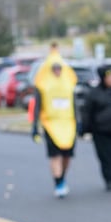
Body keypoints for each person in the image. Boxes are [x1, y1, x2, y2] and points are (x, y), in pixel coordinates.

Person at [30, 48, 78, 199]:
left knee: (66, 157)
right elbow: (37, 106)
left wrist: (79, 122)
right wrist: (35, 126)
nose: (57, 71)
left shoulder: (68, 84)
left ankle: (62, 176)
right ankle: (58, 182)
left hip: (68, 125)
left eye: (59, 68)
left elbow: (74, 104)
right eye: (54, 68)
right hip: (51, 125)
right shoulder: (43, 85)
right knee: (55, 156)